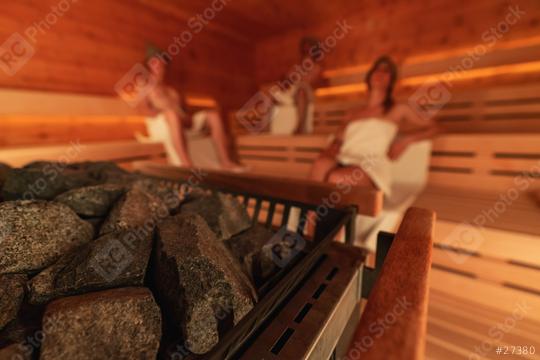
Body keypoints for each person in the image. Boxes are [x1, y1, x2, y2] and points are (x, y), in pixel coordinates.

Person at [309, 55, 439, 196]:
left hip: (370, 167)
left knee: (337, 178)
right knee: (320, 164)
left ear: (391, 81)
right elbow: (338, 140)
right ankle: (310, 217)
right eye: (377, 69)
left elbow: (436, 128)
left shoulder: (397, 110)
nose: (380, 73)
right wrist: (330, 150)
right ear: (369, 76)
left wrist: (408, 140)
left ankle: (328, 215)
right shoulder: (352, 113)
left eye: (386, 71)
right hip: (345, 158)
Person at [137, 47, 240, 170]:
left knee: (213, 114)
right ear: (149, 65)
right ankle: (186, 164)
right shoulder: (145, 87)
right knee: (171, 114)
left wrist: (185, 118)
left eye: (162, 64)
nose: (159, 67)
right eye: (155, 63)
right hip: (161, 124)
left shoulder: (172, 91)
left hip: (180, 121)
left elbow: (185, 112)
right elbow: (143, 110)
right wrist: (164, 112)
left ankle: (225, 161)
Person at [268, 37, 325, 135]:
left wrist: (299, 80)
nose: (306, 50)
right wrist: (285, 83)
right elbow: (287, 80)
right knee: (275, 94)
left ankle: (300, 126)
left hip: (306, 93)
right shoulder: (296, 67)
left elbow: (311, 83)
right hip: (293, 91)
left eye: (309, 47)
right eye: (305, 48)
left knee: (301, 90)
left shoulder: (317, 67)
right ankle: (270, 126)